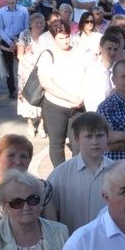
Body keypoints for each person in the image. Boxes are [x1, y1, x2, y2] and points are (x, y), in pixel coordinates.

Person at [43, 112, 114, 235]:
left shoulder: (117, 172)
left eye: (100, 136)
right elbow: (50, 217)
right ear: (77, 140)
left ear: (107, 137)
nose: (95, 141)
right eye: (89, 136)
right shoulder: (60, 175)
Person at [37, 18, 86, 166]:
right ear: (53, 38)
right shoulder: (47, 54)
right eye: (61, 38)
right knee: (57, 143)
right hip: (55, 105)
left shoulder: (79, 52)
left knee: (79, 145)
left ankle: (76, 174)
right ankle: (59, 176)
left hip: (78, 105)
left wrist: (79, 97)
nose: (65, 41)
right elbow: (46, 82)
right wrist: (69, 97)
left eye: (67, 37)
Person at [16, 13, 47, 137]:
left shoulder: (47, 36)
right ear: (31, 24)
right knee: (28, 97)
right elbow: (20, 55)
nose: (39, 25)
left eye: (41, 23)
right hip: (27, 71)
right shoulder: (24, 35)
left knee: (44, 97)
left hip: (44, 69)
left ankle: (42, 125)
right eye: (36, 23)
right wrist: (32, 70)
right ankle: (29, 124)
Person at [0, 0, 28, 99]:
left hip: (21, 40)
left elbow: (26, 27)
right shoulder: (0, 12)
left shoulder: (24, 10)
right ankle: (11, 89)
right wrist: (10, 42)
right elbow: (0, 29)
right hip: (7, 41)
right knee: (9, 67)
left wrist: (20, 40)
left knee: (24, 65)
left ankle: (25, 88)